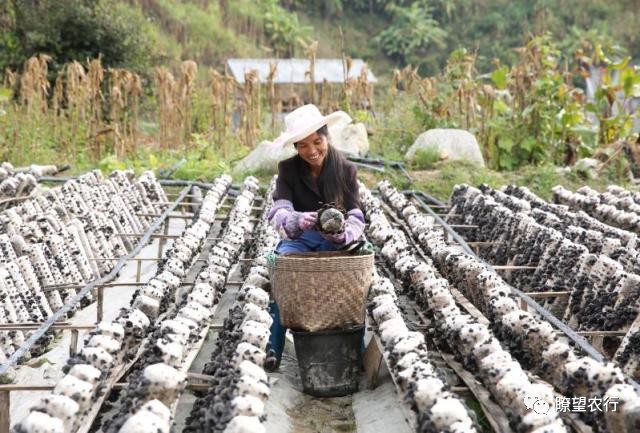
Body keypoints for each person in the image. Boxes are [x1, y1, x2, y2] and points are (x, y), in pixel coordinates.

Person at [264, 104, 365, 370]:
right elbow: (279, 209)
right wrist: (296, 220)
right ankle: (272, 347)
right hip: (300, 240)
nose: (311, 151)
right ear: (296, 147)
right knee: (283, 277)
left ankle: (357, 349)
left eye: (317, 142)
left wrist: (344, 233)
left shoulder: (345, 169)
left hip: (336, 242)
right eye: (302, 145)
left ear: (326, 137)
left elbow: (356, 213)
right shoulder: (287, 169)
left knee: (354, 283)